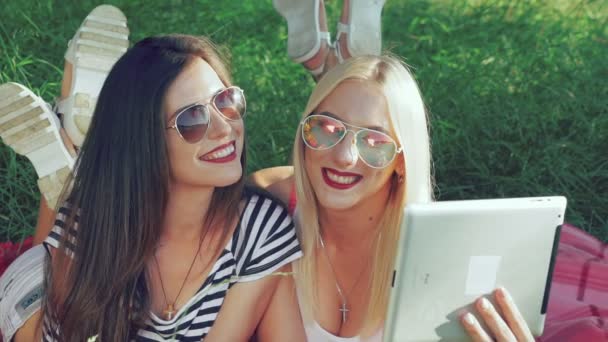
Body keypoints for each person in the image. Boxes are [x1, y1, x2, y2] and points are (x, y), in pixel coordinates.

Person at [0, 34, 304, 341]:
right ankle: (71, 147)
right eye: (192, 119)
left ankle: (73, 155)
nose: (225, 128)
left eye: (226, 102)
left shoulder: (259, 230)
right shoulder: (95, 222)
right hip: (43, 301)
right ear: (145, 139)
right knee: (35, 290)